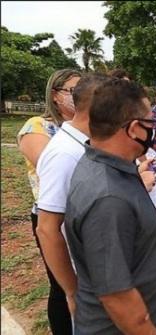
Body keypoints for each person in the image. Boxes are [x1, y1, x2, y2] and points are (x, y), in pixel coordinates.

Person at [64, 78, 156, 334]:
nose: (154, 130)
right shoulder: (108, 199)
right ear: (134, 128)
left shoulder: (109, 166)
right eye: (151, 124)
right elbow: (116, 296)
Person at [36, 73, 109, 326]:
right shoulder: (64, 154)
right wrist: (71, 289)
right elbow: (47, 228)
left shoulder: (87, 145)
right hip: (83, 274)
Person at [16, 68, 80, 335]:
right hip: (53, 216)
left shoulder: (91, 127)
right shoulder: (37, 126)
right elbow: (50, 166)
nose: (80, 96)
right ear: (56, 95)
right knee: (63, 284)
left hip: (86, 213)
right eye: (73, 91)